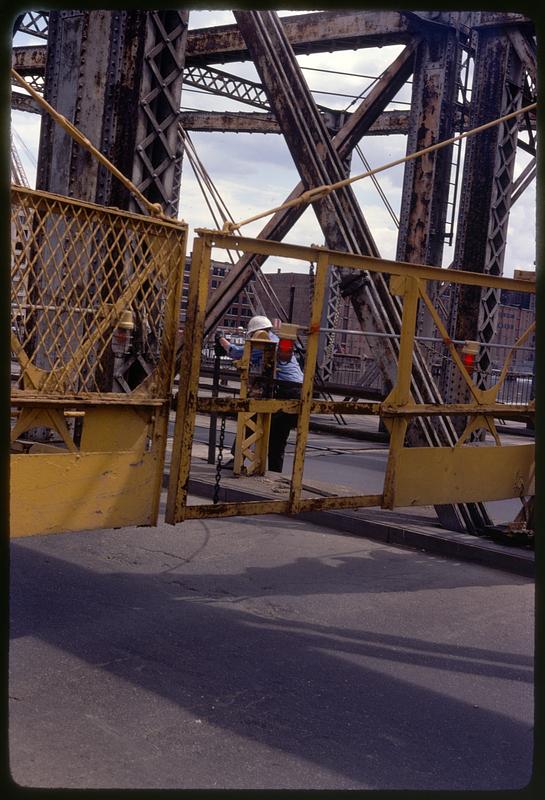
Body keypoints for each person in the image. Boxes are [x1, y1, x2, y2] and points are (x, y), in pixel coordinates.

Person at [217, 315, 304, 472]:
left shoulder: (264, 343)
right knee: (278, 436)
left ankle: (238, 458)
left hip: (283, 390)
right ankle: (275, 470)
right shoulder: (276, 341)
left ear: (256, 332)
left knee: (251, 418)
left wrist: (222, 340)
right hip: (298, 391)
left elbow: (237, 353)